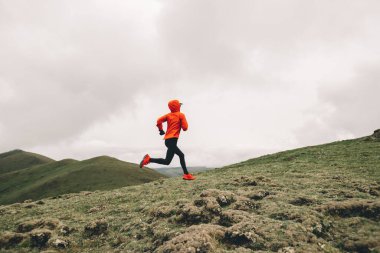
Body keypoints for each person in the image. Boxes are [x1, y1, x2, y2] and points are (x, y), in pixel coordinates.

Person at [139, 99, 195, 180]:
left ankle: (148, 159)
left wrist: (161, 130)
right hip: (172, 141)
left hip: (168, 141)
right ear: (177, 106)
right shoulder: (181, 115)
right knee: (181, 155)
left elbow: (158, 120)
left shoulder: (168, 115)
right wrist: (182, 123)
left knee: (167, 161)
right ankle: (186, 174)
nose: (180, 106)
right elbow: (185, 128)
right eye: (179, 105)